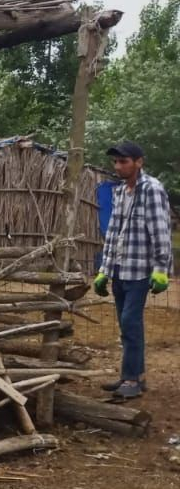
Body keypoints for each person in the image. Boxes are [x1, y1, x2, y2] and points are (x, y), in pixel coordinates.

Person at [93, 141, 171, 400]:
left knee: (130, 322)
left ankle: (131, 380)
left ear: (139, 162)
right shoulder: (120, 192)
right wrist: (104, 270)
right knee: (126, 324)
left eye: (124, 161)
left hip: (139, 269)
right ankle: (135, 374)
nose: (118, 166)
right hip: (119, 268)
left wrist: (161, 269)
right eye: (115, 162)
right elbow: (113, 234)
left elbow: (160, 232)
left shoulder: (152, 189)